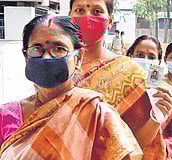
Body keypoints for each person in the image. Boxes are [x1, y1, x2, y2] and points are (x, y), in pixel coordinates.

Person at [0, 15, 142, 159]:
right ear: (26, 56)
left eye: (59, 49)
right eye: (37, 49)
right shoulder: (6, 116)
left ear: (78, 58)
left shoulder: (97, 114)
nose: (47, 58)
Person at [69, 0, 172, 159]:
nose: (87, 17)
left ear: (110, 22)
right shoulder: (56, 66)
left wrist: (156, 117)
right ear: (69, 18)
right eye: (80, 10)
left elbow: (137, 144)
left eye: (97, 11)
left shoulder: (129, 72)